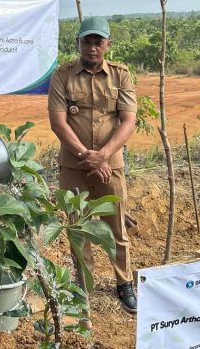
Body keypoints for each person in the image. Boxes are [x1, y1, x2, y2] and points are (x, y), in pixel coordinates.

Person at [48, 16, 138, 314]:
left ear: (108, 44)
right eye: (87, 40)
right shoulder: (62, 75)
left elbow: (128, 121)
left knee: (116, 228)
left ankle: (124, 283)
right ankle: (83, 289)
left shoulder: (121, 75)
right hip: (74, 167)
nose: (92, 47)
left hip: (110, 166)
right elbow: (58, 122)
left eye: (98, 41)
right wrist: (88, 156)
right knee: (78, 228)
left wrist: (104, 155)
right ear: (78, 43)